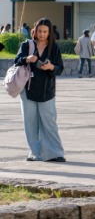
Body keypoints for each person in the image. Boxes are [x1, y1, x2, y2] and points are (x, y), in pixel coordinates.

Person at [14, 18, 65, 162]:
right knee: (30, 123)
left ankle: (55, 153)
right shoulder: (27, 45)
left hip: (47, 89)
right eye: (39, 31)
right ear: (35, 31)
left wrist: (51, 67)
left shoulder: (54, 48)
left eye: (45, 32)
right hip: (28, 89)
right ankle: (36, 153)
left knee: (49, 122)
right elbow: (16, 61)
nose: (42, 34)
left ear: (49, 33)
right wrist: (27, 59)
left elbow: (60, 68)